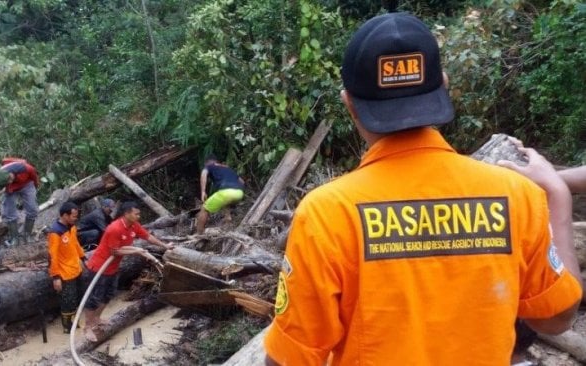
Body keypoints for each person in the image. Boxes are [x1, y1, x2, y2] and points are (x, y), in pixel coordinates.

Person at [264, 11, 583, 365]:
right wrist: (557, 195)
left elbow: (288, 359)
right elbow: (557, 317)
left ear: (349, 103)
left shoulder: (328, 213)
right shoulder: (515, 196)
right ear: (443, 84)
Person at [82, 201, 174, 341]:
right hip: (99, 268)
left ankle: (97, 319)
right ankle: (87, 327)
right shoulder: (115, 229)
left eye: (139, 213)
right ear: (126, 214)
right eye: (136, 213)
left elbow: (147, 236)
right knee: (94, 298)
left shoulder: (133, 225)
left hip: (113, 268)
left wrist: (165, 246)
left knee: (108, 295)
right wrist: (137, 250)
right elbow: (115, 251)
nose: (139, 216)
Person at [47, 201, 85, 334]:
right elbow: (53, 256)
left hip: (76, 268)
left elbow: (75, 244)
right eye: (74, 216)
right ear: (65, 215)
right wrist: (55, 277)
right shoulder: (55, 233)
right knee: (67, 300)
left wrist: (83, 257)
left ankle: (75, 323)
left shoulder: (72, 227)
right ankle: (67, 327)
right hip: (65, 273)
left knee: (76, 297)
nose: (76, 218)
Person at [195, 154, 245, 234]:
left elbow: (204, 174)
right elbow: (242, 181)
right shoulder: (227, 168)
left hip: (226, 192)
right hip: (239, 193)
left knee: (204, 209)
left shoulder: (209, 166)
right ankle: (228, 218)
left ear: (206, 162)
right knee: (226, 202)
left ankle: (198, 234)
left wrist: (203, 191)